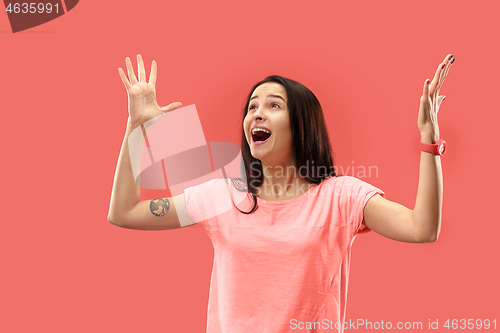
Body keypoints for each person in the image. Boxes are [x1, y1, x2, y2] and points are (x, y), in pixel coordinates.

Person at [107, 53, 454, 332]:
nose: (257, 113)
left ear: (302, 124)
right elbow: (125, 212)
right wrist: (136, 129)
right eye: (252, 107)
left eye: (273, 105)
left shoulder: (341, 197)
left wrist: (429, 140)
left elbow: (421, 229)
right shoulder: (222, 196)